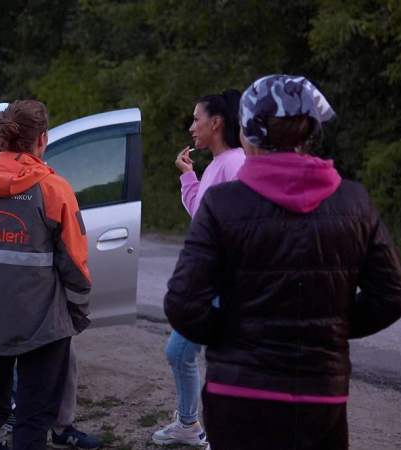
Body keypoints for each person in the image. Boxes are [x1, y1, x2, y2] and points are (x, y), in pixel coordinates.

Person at [163, 75, 401, 450]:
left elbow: (182, 303)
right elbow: (392, 295)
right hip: (319, 393)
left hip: (238, 391)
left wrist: (235, 337)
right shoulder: (354, 202)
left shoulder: (223, 203)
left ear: (248, 132)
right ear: (312, 132)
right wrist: (330, 327)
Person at [0, 100, 92, 450]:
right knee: (33, 418)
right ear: (42, 139)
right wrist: (77, 312)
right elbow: (75, 264)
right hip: (42, 327)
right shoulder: (54, 189)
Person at [153, 89, 245, 447]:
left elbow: (239, 228)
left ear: (216, 122)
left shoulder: (235, 163)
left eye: (196, 118)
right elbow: (202, 218)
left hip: (222, 284)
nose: (192, 126)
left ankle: (196, 426)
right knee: (185, 353)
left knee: (183, 352)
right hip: (212, 282)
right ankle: (190, 424)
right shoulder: (220, 164)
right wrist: (189, 177)